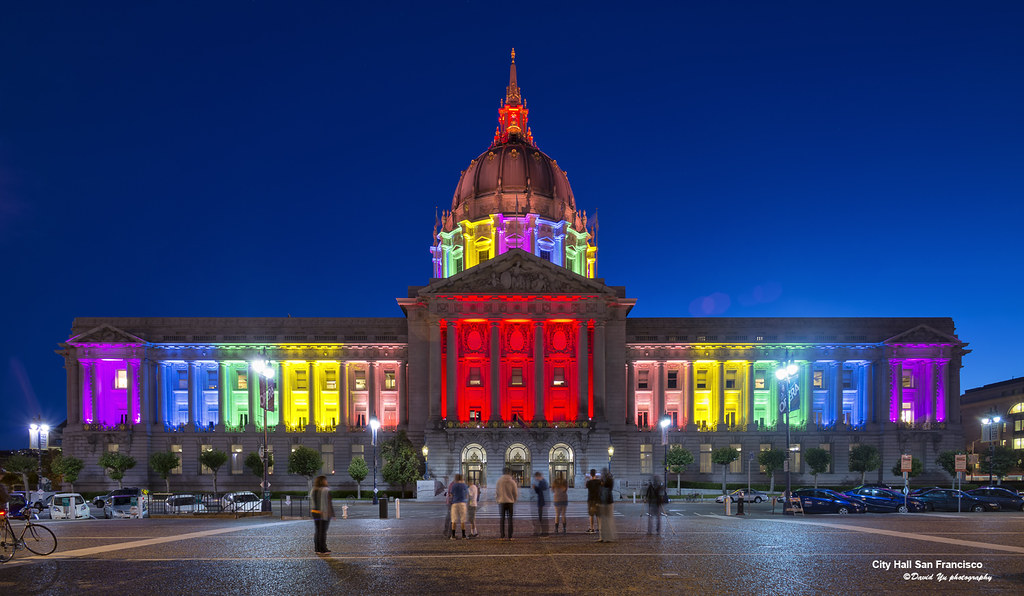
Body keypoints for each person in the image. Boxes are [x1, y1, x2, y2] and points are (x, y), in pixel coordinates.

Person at [309, 475, 335, 554]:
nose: (326, 481)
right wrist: (332, 514)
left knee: (317, 530)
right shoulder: (326, 490)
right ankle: (323, 549)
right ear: (323, 481)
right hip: (323, 513)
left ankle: (317, 548)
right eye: (325, 480)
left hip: (314, 512)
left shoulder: (313, 490)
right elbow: (329, 503)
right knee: (323, 531)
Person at [495, 468, 518, 541]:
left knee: (502, 519)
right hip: (510, 502)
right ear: (509, 473)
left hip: (502, 501)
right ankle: (510, 536)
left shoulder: (499, 481)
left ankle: (502, 535)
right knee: (510, 519)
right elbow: (515, 492)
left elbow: (497, 492)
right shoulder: (512, 482)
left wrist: (498, 499)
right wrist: (514, 499)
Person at [597, 468, 616, 543]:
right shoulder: (605, 481)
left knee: (607, 520)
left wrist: (602, 483)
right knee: (603, 521)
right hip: (604, 502)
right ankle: (603, 537)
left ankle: (607, 537)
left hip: (607, 502)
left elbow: (607, 488)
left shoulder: (609, 481)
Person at [449, 474, 469, 540]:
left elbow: (451, 495)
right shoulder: (464, 485)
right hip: (462, 503)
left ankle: (453, 536)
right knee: (462, 520)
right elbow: (467, 495)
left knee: (454, 520)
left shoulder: (454, 485)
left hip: (455, 504)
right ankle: (463, 535)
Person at [532, 471, 549, 536]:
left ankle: (544, 532)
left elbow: (542, 491)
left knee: (542, 518)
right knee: (541, 517)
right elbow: (539, 491)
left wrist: (535, 488)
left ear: (538, 476)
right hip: (541, 501)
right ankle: (542, 532)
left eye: (536, 477)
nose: (535, 479)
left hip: (543, 502)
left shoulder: (543, 482)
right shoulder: (542, 482)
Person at [585, 468, 601, 534]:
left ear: (590, 474)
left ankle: (592, 528)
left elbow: (586, 486)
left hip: (591, 500)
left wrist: (587, 478)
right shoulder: (599, 481)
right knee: (598, 514)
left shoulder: (589, 482)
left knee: (591, 515)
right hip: (598, 499)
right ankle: (599, 528)